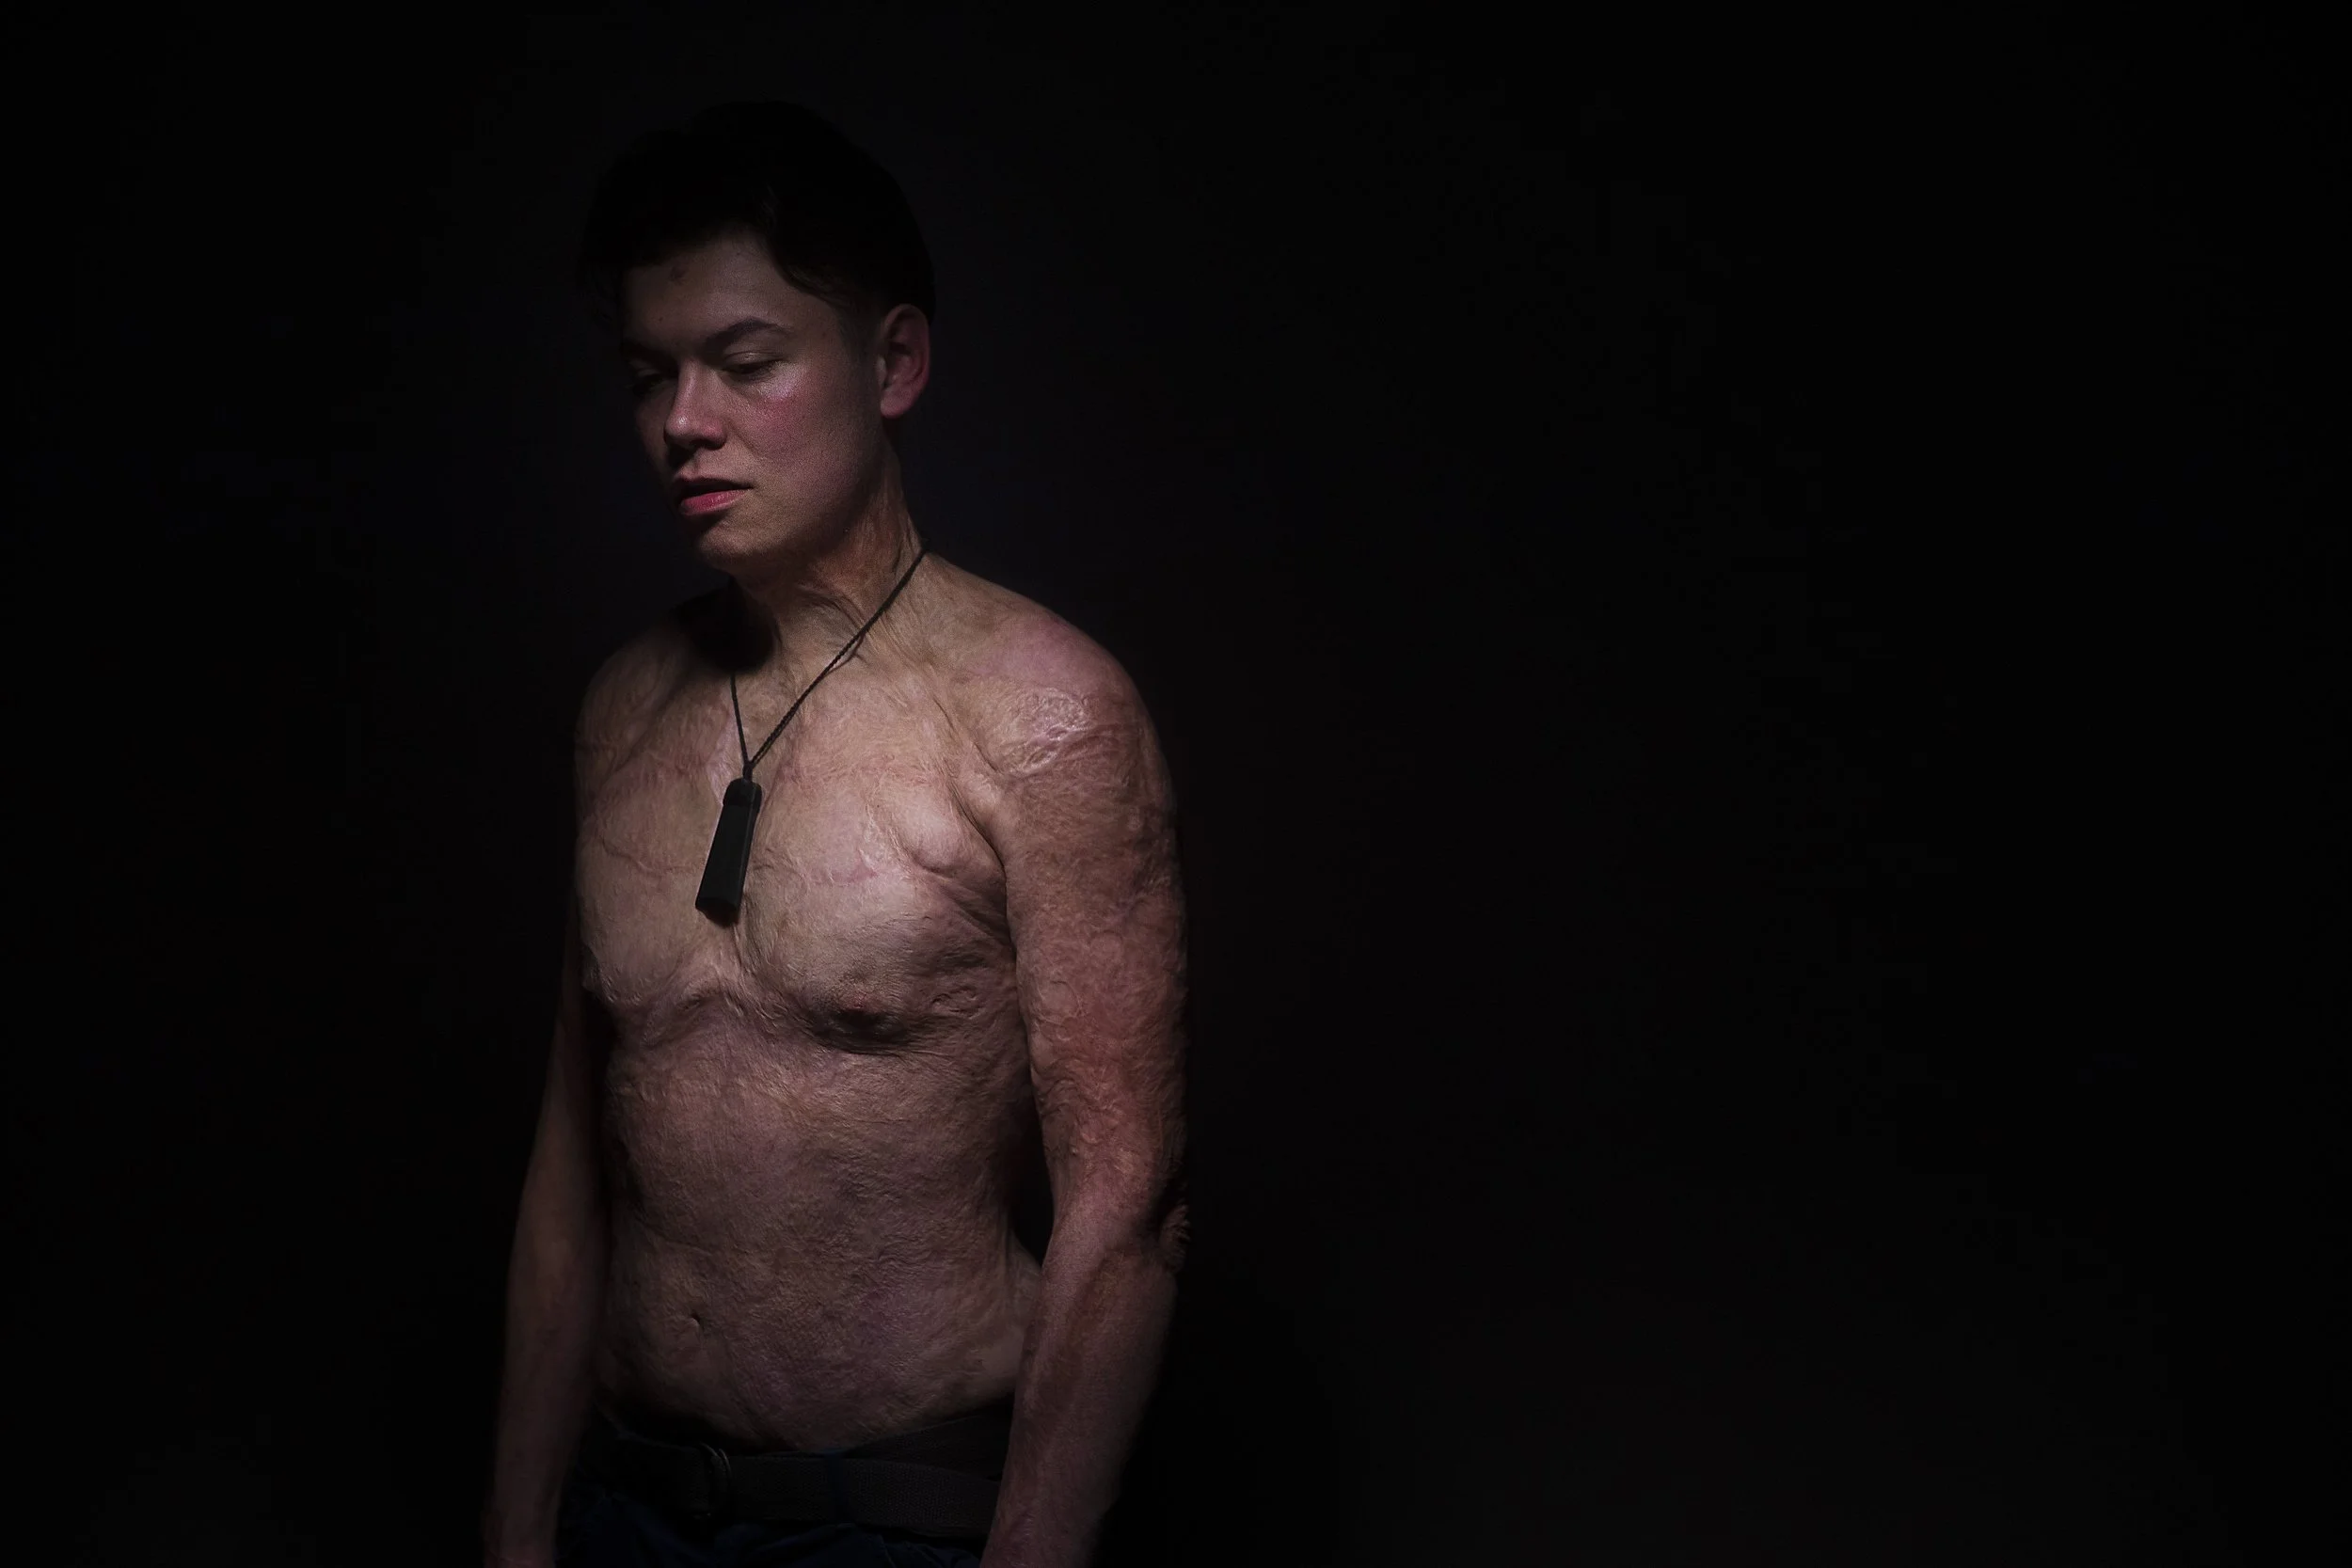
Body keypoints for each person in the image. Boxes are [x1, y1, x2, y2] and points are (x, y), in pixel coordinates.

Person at [482, 103, 1187, 1568]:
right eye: (648, 374)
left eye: (745, 364)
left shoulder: (1044, 718)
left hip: (909, 1522)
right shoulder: (622, 707)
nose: (685, 421)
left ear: (896, 363)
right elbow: (573, 1158)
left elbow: (1127, 1203)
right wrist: (517, 1527)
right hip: (629, 1505)